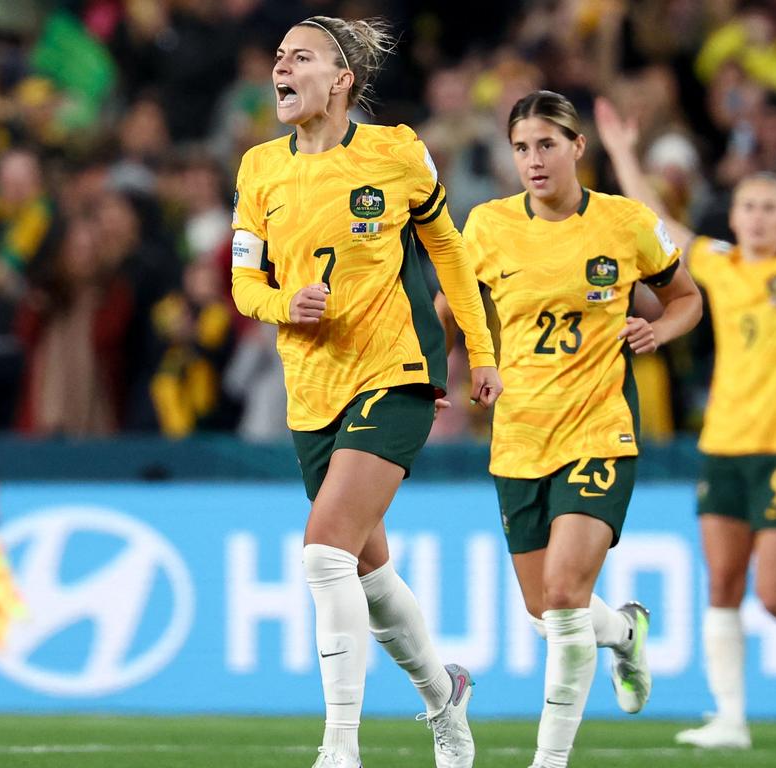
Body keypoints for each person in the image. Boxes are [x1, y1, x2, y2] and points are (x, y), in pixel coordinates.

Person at [230, 15, 502, 768]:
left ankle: (339, 748)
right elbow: (244, 283)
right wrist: (286, 304)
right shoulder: (258, 170)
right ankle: (445, 694)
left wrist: (478, 353)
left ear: (342, 79)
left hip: (397, 371)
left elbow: (449, 250)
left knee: (323, 556)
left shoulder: (396, 152)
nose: (282, 68)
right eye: (278, 57)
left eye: (301, 57)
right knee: (368, 575)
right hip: (311, 389)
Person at [596, 96, 776, 748]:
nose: (758, 218)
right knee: (722, 582)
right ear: (737, 214)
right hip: (722, 442)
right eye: (749, 207)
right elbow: (657, 222)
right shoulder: (718, 262)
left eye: (771, 208)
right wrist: (620, 153)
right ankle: (729, 718)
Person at [458, 90, 702, 768]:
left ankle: (549, 761)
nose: (533, 161)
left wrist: (658, 326)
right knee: (548, 616)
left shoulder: (624, 223)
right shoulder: (486, 226)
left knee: (565, 600)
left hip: (599, 430)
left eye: (546, 145)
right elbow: (452, 312)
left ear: (577, 148)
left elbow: (687, 298)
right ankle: (625, 630)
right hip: (517, 438)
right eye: (521, 147)